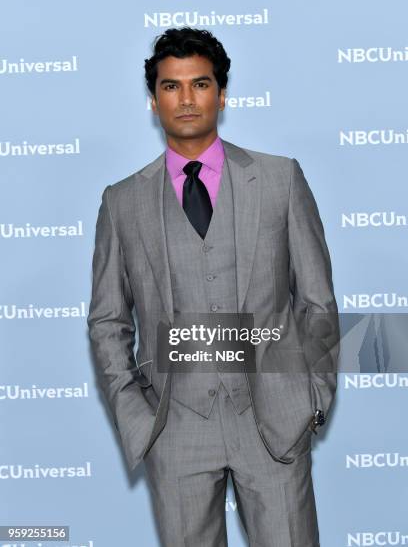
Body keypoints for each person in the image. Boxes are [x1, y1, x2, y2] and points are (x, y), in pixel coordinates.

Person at [87, 27, 339, 547]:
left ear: (222, 94)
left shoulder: (279, 180)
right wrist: (138, 419)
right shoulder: (123, 202)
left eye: (200, 84)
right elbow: (108, 321)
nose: (186, 99)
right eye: (171, 86)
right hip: (175, 426)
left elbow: (316, 301)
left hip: (272, 422)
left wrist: (311, 397)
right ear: (153, 101)